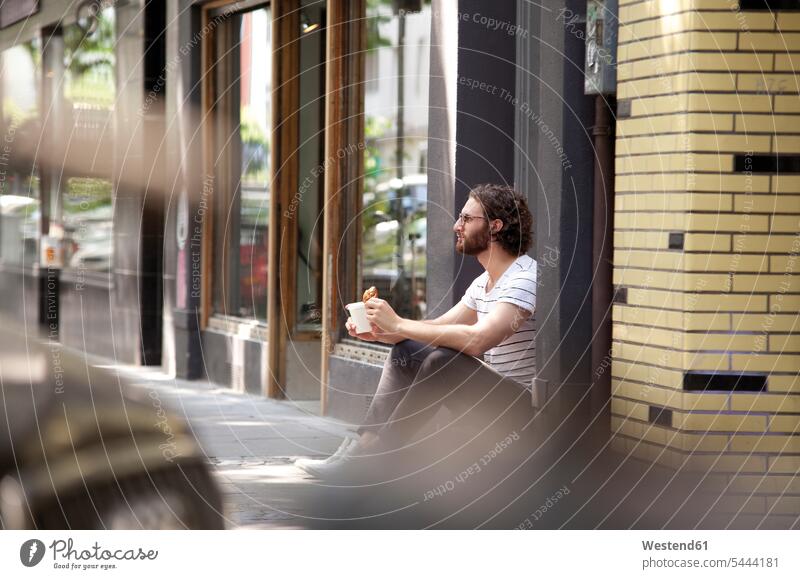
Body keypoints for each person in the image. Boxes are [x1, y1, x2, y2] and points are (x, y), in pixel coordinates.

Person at [296, 183, 538, 481]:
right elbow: (438, 328)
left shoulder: (524, 277)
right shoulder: (484, 282)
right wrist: (384, 334)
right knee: (407, 350)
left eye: (466, 218)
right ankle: (365, 447)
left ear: (495, 226)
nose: (456, 226)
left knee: (442, 360)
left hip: (521, 407)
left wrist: (398, 324)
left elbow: (478, 341)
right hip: (490, 395)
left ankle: (379, 459)